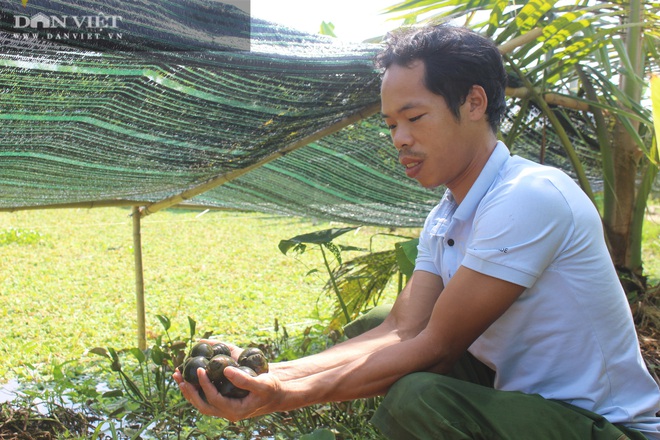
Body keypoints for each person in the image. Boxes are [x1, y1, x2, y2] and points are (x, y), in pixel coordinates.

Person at [175, 24, 660, 439]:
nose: (400, 139)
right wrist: (267, 373)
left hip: (603, 425)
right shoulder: (446, 215)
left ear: (474, 102)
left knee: (419, 397)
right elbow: (402, 329)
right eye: (390, 124)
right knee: (376, 324)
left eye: (414, 117)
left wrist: (284, 396)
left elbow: (438, 346)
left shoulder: (530, 196)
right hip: (526, 404)